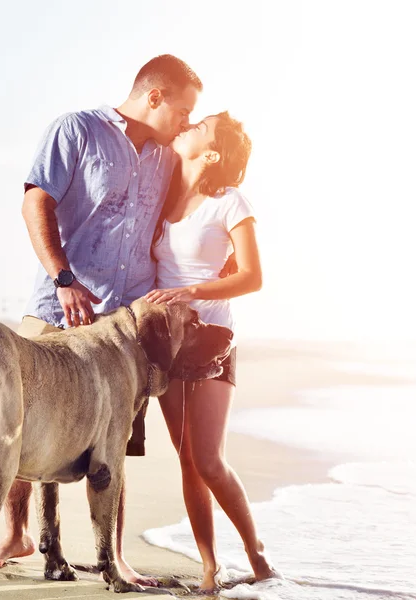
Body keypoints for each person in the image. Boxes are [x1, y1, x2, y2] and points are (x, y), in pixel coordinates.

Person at [0, 54, 203, 587]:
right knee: (20, 423)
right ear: (154, 97)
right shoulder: (76, 129)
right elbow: (37, 201)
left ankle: (114, 553)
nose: (186, 122)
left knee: (114, 442)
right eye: (183, 111)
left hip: (127, 329)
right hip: (60, 309)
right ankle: (15, 532)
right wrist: (63, 276)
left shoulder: (169, 158)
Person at [145, 112, 280, 592]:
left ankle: (256, 554)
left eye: (198, 126)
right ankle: (209, 565)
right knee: (186, 459)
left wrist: (191, 292)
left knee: (207, 459)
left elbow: (252, 276)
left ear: (213, 152)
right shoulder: (163, 197)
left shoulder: (230, 202)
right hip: (165, 342)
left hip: (210, 340)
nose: (187, 127)